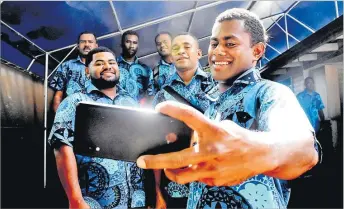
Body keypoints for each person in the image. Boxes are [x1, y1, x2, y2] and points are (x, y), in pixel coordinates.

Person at [137, 8, 319, 209]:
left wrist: (258, 149)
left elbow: (304, 149)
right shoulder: (212, 105)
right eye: (214, 43)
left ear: (257, 51)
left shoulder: (269, 93)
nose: (217, 51)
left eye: (230, 43)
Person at [49, 47, 145, 209]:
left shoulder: (131, 102)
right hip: (94, 202)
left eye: (111, 62)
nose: (107, 66)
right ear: (87, 71)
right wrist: (75, 200)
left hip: (136, 200)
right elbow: (62, 148)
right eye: (99, 63)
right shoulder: (75, 102)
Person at [151, 33, 219, 209]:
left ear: (199, 53)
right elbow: (155, 146)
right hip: (175, 184)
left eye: (187, 47)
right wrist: (157, 192)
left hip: (215, 178)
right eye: (176, 48)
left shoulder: (219, 86)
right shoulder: (162, 96)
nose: (181, 51)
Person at [49, 31, 98, 112]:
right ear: (78, 46)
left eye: (90, 42)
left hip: (98, 115)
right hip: (71, 113)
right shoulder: (65, 66)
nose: (86, 45)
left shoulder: (105, 67)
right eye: (83, 42)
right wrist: (58, 118)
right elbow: (58, 95)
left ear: (96, 46)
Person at [117, 30, 155, 103]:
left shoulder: (146, 69)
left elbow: (151, 94)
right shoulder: (113, 67)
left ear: (137, 45)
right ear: (122, 44)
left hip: (140, 112)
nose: (131, 46)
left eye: (134, 43)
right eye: (128, 42)